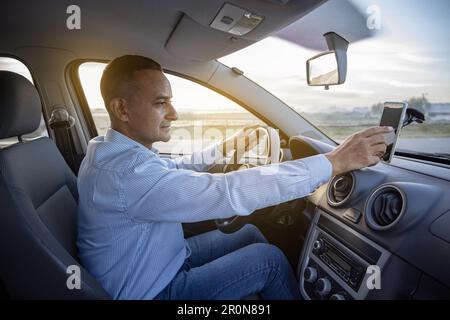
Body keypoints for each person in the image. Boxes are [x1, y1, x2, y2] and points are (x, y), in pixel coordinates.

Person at [77, 55, 390, 300]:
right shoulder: (124, 174)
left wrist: (227, 147)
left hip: (162, 262)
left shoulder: (111, 152)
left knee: (251, 233)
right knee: (267, 260)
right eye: (161, 102)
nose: (173, 113)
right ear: (122, 109)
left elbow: (174, 171)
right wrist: (333, 162)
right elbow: (226, 193)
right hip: (151, 291)